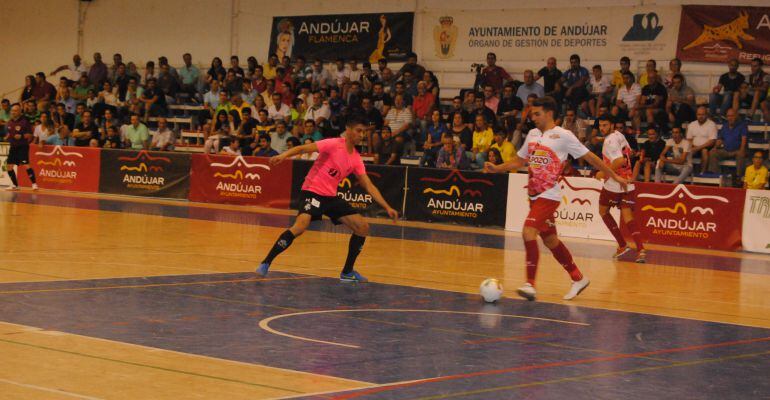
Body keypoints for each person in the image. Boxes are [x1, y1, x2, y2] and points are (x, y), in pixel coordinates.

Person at [484, 97, 628, 301]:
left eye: (537, 114)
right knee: (551, 240)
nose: (532, 118)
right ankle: (578, 277)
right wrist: (497, 168)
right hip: (533, 196)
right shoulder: (533, 135)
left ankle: (530, 285)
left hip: (549, 196)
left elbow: (591, 158)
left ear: (549, 113)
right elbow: (520, 160)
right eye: (532, 114)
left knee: (528, 232)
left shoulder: (563, 135)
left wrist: (614, 175)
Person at [257, 116, 399, 282]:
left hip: (330, 196)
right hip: (312, 190)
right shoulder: (333, 144)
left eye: (364, 132)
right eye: (358, 131)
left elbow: (368, 185)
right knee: (301, 226)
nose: (362, 135)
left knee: (362, 227)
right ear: (348, 130)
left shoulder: (356, 159)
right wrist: (283, 155)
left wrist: (387, 207)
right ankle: (266, 263)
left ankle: (347, 272)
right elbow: (304, 148)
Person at [595, 116, 646, 263]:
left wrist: (603, 172)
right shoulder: (619, 135)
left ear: (612, 125)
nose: (602, 128)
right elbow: (627, 154)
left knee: (603, 211)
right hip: (628, 181)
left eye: (605, 125)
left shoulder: (609, 141)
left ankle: (623, 245)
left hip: (614, 183)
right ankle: (641, 250)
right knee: (628, 217)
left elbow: (619, 160)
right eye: (600, 126)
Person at [708, 108, 747, 184]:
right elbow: (720, 139)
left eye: (732, 116)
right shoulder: (724, 126)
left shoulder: (742, 125)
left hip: (737, 150)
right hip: (725, 150)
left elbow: (744, 139)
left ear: (736, 116)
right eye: (728, 116)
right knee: (713, 152)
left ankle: (739, 178)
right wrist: (715, 147)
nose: (730, 118)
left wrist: (742, 150)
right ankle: (716, 176)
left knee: (741, 154)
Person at [4, 104, 38, 191]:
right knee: (9, 166)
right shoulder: (9, 122)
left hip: (23, 146)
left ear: (19, 111)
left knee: (26, 165)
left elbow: (30, 134)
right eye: (12, 111)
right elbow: (9, 133)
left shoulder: (25, 121)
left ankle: (34, 184)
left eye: (15, 111)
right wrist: (7, 137)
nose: (13, 112)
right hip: (13, 147)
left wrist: (22, 136)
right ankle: (15, 185)